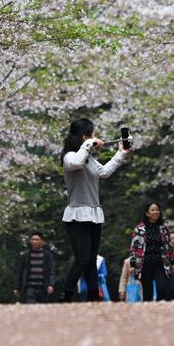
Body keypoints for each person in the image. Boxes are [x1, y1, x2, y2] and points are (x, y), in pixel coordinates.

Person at [60, 118, 130, 302]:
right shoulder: (69, 156)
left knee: (91, 261)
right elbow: (75, 163)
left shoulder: (89, 158)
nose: (96, 137)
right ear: (84, 137)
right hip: (76, 214)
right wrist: (89, 143)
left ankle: (94, 298)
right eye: (93, 134)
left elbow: (104, 172)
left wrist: (121, 154)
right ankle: (66, 296)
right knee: (82, 259)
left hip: (94, 213)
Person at [130, 202, 174, 302]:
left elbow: (169, 247)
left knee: (162, 289)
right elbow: (134, 247)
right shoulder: (140, 229)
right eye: (153, 210)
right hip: (145, 264)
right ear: (147, 213)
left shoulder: (163, 228)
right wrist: (132, 265)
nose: (156, 212)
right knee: (147, 293)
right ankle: (149, 314)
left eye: (157, 210)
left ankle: (159, 308)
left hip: (161, 263)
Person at [14, 232, 56, 303]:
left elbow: (52, 271)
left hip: (43, 288)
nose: (34, 242)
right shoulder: (26, 255)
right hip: (30, 288)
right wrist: (17, 288)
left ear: (41, 241)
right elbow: (20, 272)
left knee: (42, 310)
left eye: (37, 240)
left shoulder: (47, 255)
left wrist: (51, 285)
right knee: (31, 308)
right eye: (33, 239)